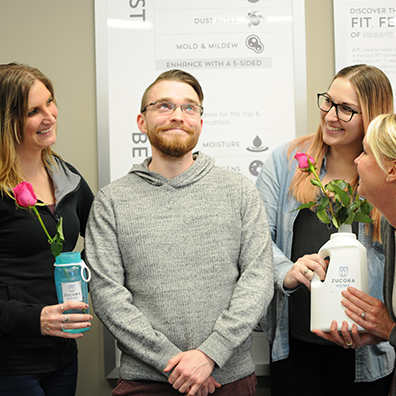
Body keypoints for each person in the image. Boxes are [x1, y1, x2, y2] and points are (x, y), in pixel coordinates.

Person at [85, 69, 274, 396]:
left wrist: (210, 354)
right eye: (164, 106)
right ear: (142, 121)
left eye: (190, 107)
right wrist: (175, 363)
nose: (178, 116)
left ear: (201, 120)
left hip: (229, 379)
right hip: (146, 381)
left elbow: (258, 278)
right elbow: (106, 295)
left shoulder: (239, 191)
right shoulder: (111, 202)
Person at [255, 64, 395, 395]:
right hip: (294, 348)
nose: (331, 115)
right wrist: (287, 272)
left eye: (347, 109)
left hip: (367, 354)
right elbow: (255, 239)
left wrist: (387, 325)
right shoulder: (286, 161)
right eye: (328, 102)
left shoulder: (384, 178)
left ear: (372, 116)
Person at [0, 63, 94, 396]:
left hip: (62, 356)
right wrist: (35, 319)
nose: (49, 116)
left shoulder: (66, 176)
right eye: (33, 111)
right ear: (6, 121)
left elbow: (103, 240)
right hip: (10, 363)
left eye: (50, 102)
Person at [314, 113, 396, 395]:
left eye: (366, 152)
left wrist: (390, 330)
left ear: (392, 170)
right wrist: (379, 333)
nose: (357, 161)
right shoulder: (388, 223)